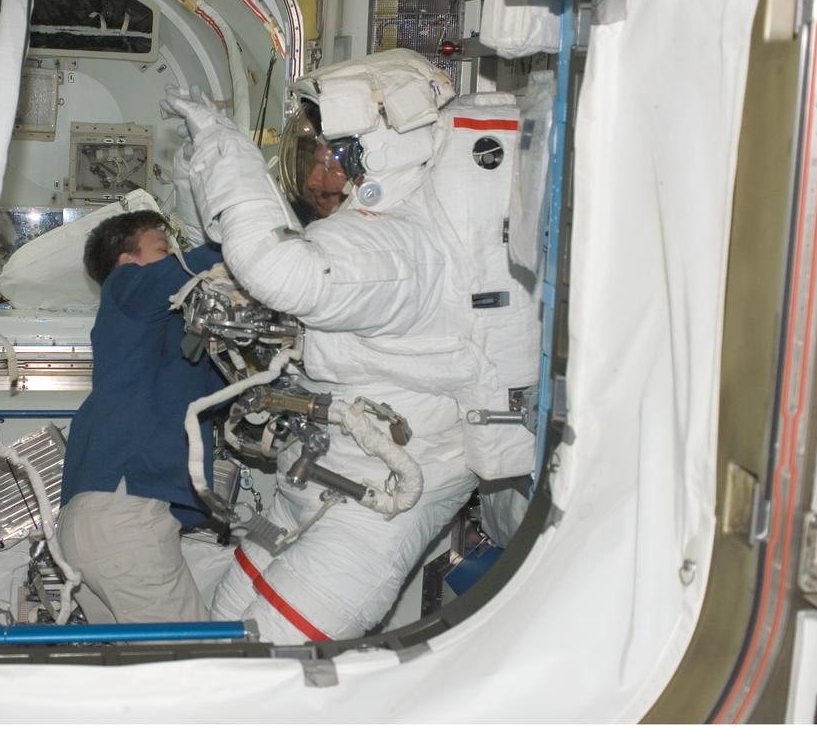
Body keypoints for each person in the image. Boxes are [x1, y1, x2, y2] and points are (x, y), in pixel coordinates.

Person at [161, 48, 538, 642]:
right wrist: (196, 172)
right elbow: (240, 254)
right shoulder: (370, 235)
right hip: (318, 477)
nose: (318, 179)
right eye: (312, 158)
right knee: (221, 627)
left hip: (371, 510)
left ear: (387, 152)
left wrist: (221, 145)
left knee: (257, 669)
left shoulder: (404, 249)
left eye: (337, 160)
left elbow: (282, 271)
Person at [57, 209, 225, 623]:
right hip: (123, 516)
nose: (176, 258)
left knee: (137, 663)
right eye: (165, 250)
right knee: (201, 657)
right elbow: (181, 273)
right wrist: (244, 240)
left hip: (90, 526)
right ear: (126, 261)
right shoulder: (124, 285)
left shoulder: (163, 340)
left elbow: (219, 393)